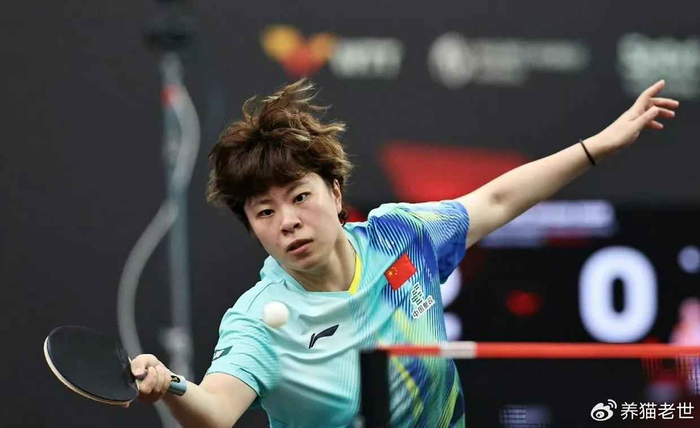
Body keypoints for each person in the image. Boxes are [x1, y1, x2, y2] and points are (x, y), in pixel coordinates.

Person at [129, 78, 679, 427]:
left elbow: (497, 199)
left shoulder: (401, 236)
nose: (288, 221)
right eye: (264, 212)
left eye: (299, 197)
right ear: (252, 226)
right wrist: (171, 384)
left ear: (335, 193)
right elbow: (216, 412)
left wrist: (597, 146)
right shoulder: (257, 321)